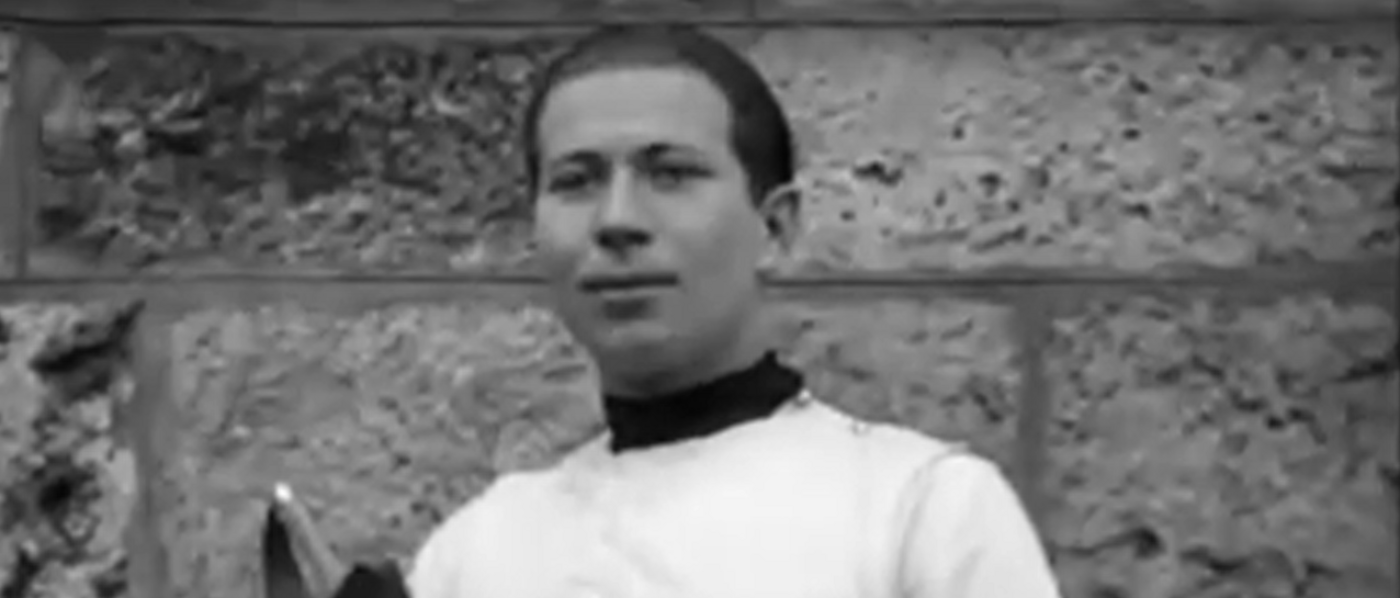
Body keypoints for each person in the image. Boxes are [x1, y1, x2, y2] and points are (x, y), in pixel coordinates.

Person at [406, 24, 1062, 598]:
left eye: (671, 174)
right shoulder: (473, 556)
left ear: (775, 227)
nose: (617, 220)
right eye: (577, 181)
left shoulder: (922, 513)